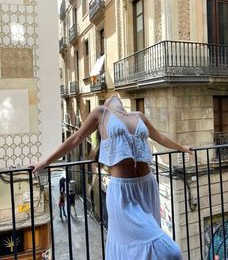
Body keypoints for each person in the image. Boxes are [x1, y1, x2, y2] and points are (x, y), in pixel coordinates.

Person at [31, 94, 192, 259]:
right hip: (123, 192)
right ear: (106, 102)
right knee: (169, 250)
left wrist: (182, 148)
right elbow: (75, 139)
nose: (114, 96)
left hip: (147, 185)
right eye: (110, 96)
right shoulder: (101, 113)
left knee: (144, 239)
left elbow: (160, 137)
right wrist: (46, 161)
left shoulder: (138, 115)